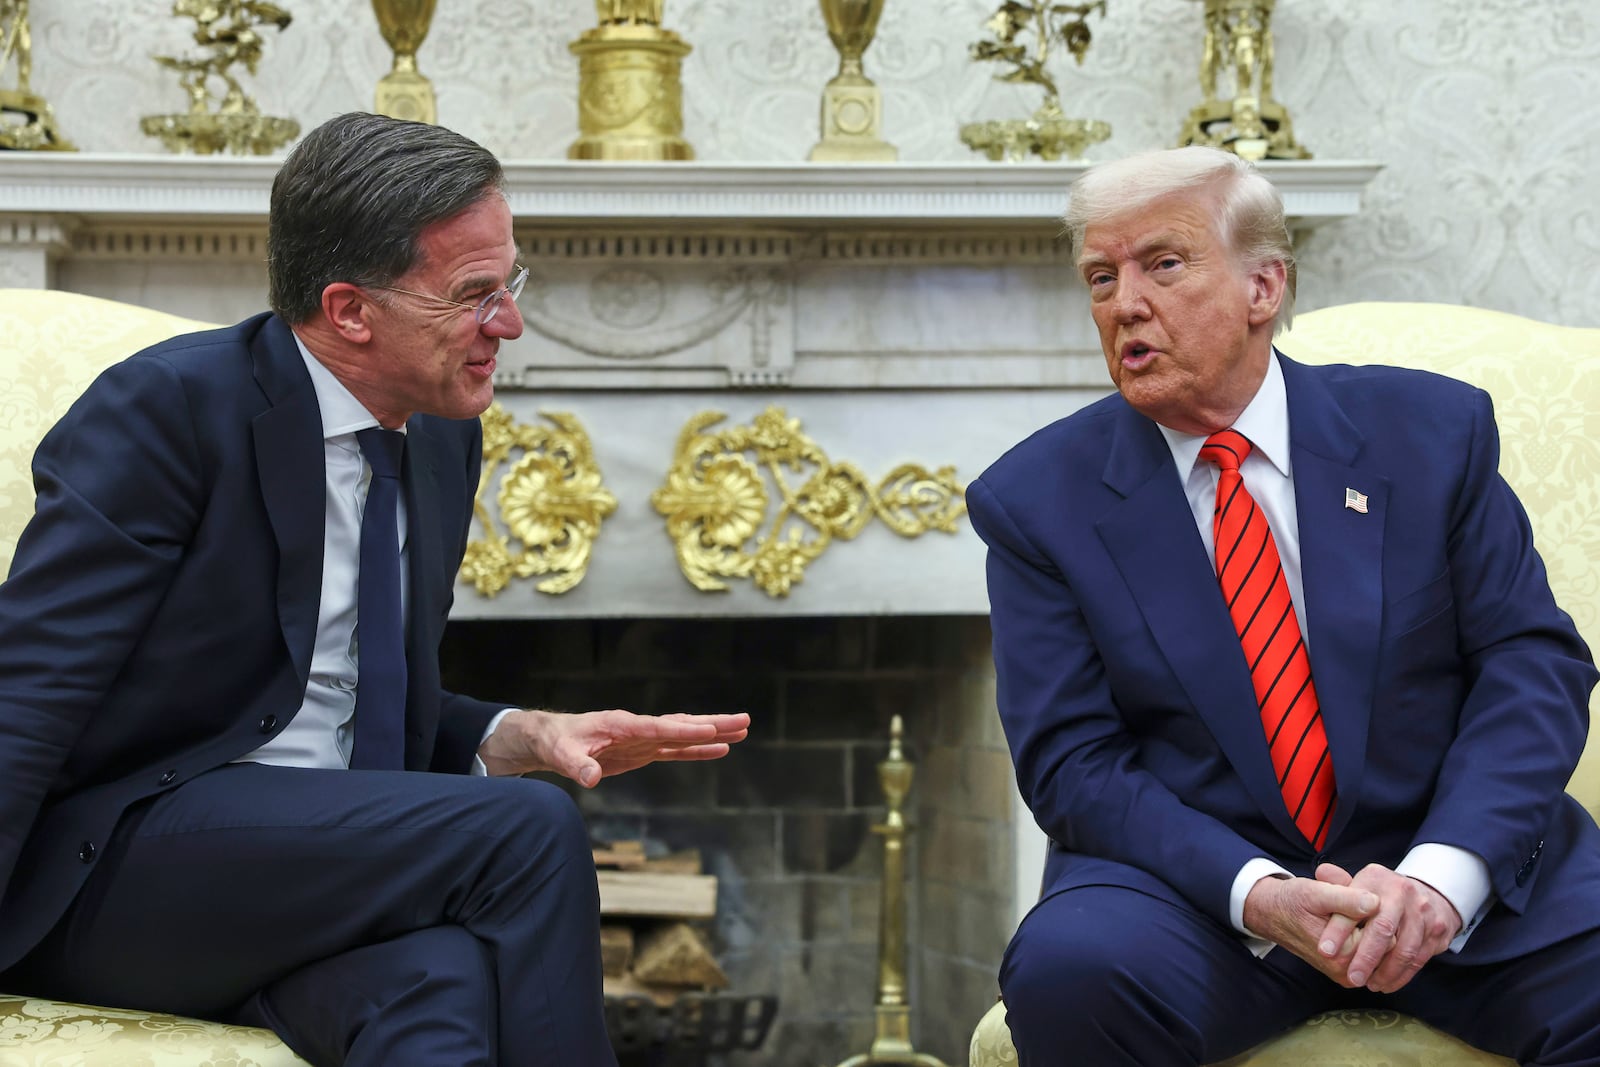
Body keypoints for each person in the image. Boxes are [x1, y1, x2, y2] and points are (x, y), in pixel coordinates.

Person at [0, 112, 749, 1067]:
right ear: (352, 309)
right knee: (527, 831)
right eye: (475, 294)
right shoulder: (169, 411)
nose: (509, 323)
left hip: (306, 873)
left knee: (437, 987)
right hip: (115, 872)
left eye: (508, 282)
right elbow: (29, 692)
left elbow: (336, 685)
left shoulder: (443, 433)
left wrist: (504, 733)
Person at [967, 145, 1600, 1065]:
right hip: (1199, 898)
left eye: (1163, 263)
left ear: (1265, 286)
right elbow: (1072, 762)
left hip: (1437, 865)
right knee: (1071, 972)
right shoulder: (1036, 500)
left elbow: (1532, 665)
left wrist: (1440, 879)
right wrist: (1260, 893)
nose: (1124, 303)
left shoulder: (1431, 434)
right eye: (1101, 276)